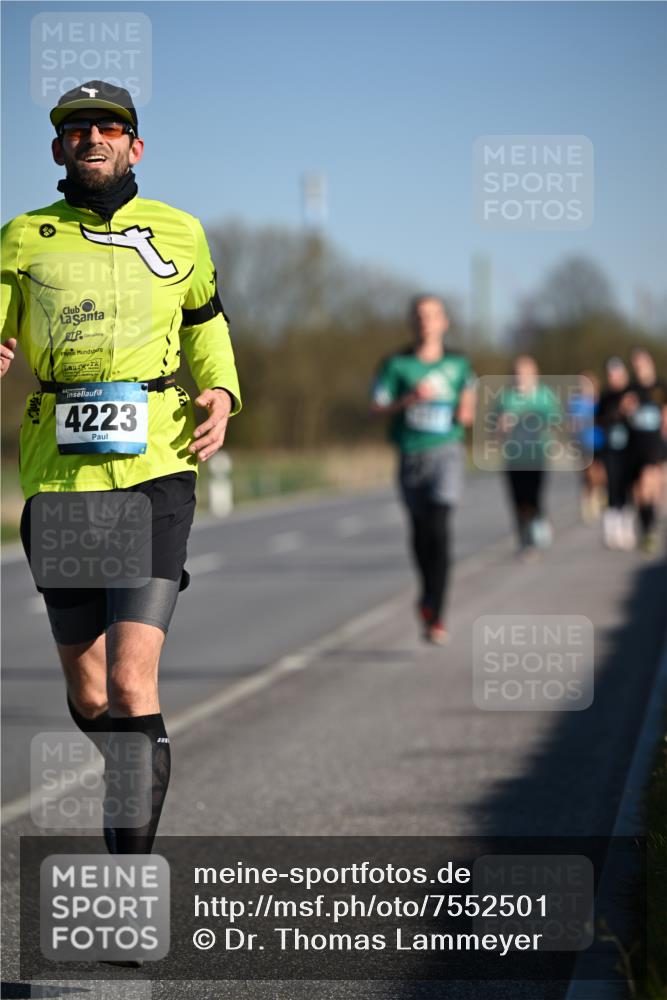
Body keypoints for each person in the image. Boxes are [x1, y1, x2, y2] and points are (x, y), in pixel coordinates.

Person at [0, 81, 241, 856]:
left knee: (135, 683)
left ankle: (128, 872)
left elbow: (206, 324)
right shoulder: (22, 238)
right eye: (76, 129)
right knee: (94, 689)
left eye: (109, 127)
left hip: (156, 467)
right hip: (60, 476)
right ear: (57, 148)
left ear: (136, 146)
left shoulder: (181, 233)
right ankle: (133, 765)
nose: (92, 138)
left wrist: (223, 390)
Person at [371, 294, 476, 644]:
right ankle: (427, 595)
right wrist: (408, 400)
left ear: (444, 322)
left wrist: (466, 408)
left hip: (446, 452)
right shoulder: (396, 365)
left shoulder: (459, 364)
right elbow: (376, 408)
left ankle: (437, 616)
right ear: (411, 322)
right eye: (419, 315)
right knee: (419, 534)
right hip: (411, 455)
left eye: (432, 315)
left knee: (441, 527)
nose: (425, 322)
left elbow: (470, 396)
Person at [495, 356, 561, 559]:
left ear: (535, 374)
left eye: (524, 373)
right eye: (516, 373)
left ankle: (532, 541)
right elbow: (496, 429)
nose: (520, 377)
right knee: (517, 499)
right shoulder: (505, 397)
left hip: (536, 455)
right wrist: (502, 426)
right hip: (513, 457)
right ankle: (524, 539)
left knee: (532, 497)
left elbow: (556, 421)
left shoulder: (544, 395)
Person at [623, 348, 667, 553]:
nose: (640, 368)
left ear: (650, 363)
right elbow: (622, 414)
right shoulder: (630, 390)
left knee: (649, 481)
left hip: (655, 445)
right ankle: (646, 525)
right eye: (636, 365)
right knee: (639, 492)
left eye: (643, 363)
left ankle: (651, 525)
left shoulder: (660, 387)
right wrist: (626, 409)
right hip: (634, 445)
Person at [596, 357, 634, 550]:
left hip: (629, 450)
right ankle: (611, 529)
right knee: (611, 488)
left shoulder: (632, 394)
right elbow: (599, 423)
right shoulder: (605, 398)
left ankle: (627, 528)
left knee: (627, 489)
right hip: (610, 451)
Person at [568, 371, 606, 523]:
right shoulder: (575, 403)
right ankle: (587, 503)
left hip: (600, 442)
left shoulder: (600, 401)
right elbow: (571, 424)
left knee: (600, 474)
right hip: (583, 445)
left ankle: (598, 495)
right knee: (588, 475)